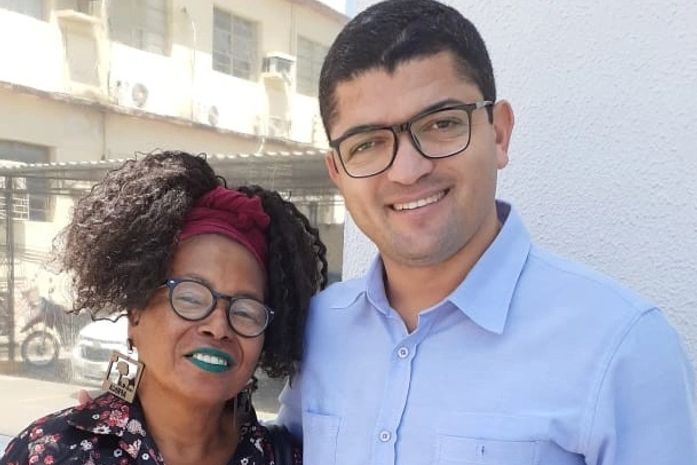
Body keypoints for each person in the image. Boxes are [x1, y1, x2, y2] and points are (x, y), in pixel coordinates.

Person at [276, 1, 697, 464]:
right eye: (367, 144)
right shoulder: (318, 328)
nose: (408, 170)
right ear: (338, 172)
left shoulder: (623, 347)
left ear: (498, 133)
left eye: (441, 124)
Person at [1, 151, 327, 465]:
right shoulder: (52, 453)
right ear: (135, 312)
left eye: (245, 311)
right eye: (190, 298)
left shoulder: (287, 459)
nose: (218, 326)